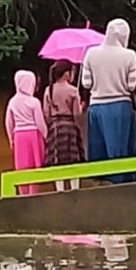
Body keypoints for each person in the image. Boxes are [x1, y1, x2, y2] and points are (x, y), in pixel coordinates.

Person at [80, 18, 136, 183]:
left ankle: (100, 185)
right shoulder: (130, 56)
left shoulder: (91, 53)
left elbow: (86, 83)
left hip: (96, 107)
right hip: (120, 107)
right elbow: (132, 85)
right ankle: (121, 187)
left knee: (98, 151)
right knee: (119, 152)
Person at [43, 59, 84, 191]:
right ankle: (75, 188)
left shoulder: (48, 90)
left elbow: (46, 113)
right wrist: (81, 106)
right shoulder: (73, 91)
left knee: (57, 159)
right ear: (67, 74)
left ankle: (59, 189)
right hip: (70, 126)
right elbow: (77, 114)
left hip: (55, 127)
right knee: (73, 159)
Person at [4, 69, 48, 195]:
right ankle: (33, 194)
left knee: (21, 167)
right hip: (33, 135)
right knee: (35, 167)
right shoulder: (34, 102)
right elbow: (40, 123)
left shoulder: (12, 102)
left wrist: (11, 139)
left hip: (19, 136)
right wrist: (46, 137)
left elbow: (8, 122)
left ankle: (22, 194)